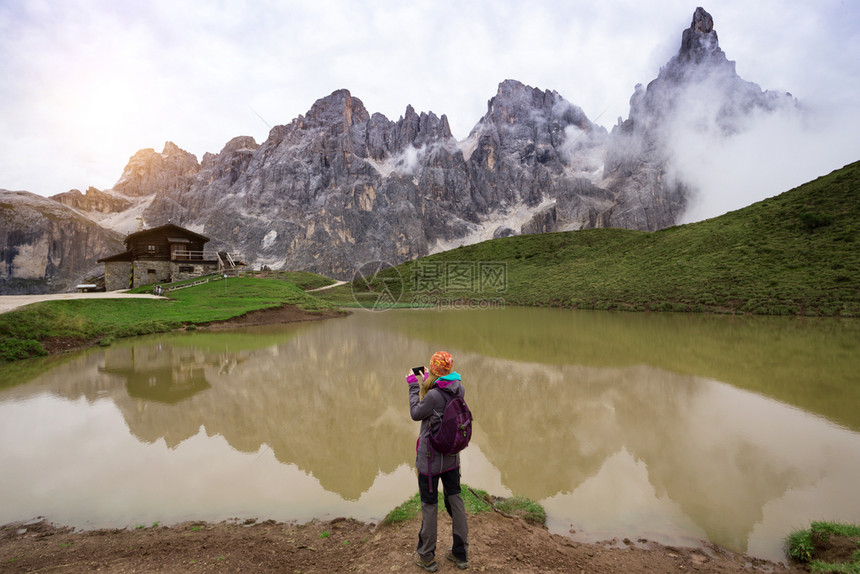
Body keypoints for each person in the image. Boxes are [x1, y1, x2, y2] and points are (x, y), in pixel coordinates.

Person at [406, 351, 469, 571]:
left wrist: (414, 386)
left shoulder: (432, 396)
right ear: (449, 370)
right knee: (456, 501)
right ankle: (460, 554)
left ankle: (426, 556)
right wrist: (429, 382)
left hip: (430, 462)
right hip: (452, 459)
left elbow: (416, 413)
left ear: (433, 369)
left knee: (429, 506)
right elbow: (441, 401)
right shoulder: (459, 388)